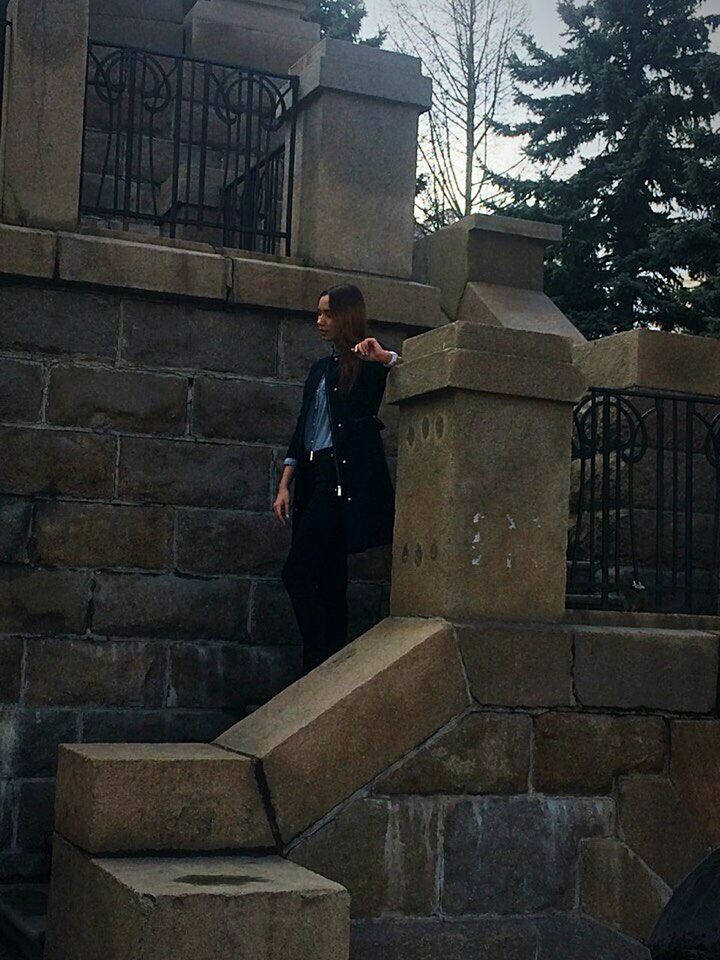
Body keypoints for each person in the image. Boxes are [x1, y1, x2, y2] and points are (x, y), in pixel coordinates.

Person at [273, 283, 399, 674]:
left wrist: (385, 356)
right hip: (311, 476)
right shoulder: (319, 369)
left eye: (327, 313)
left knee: (299, 573)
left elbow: (407, 375)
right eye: (318, 312)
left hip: (338, 479)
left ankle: (321, 656)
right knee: (326, 573)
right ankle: (326, 661)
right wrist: (285, 483)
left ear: (346, 316)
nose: (320, 321)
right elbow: (303, 427)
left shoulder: (366, 365)